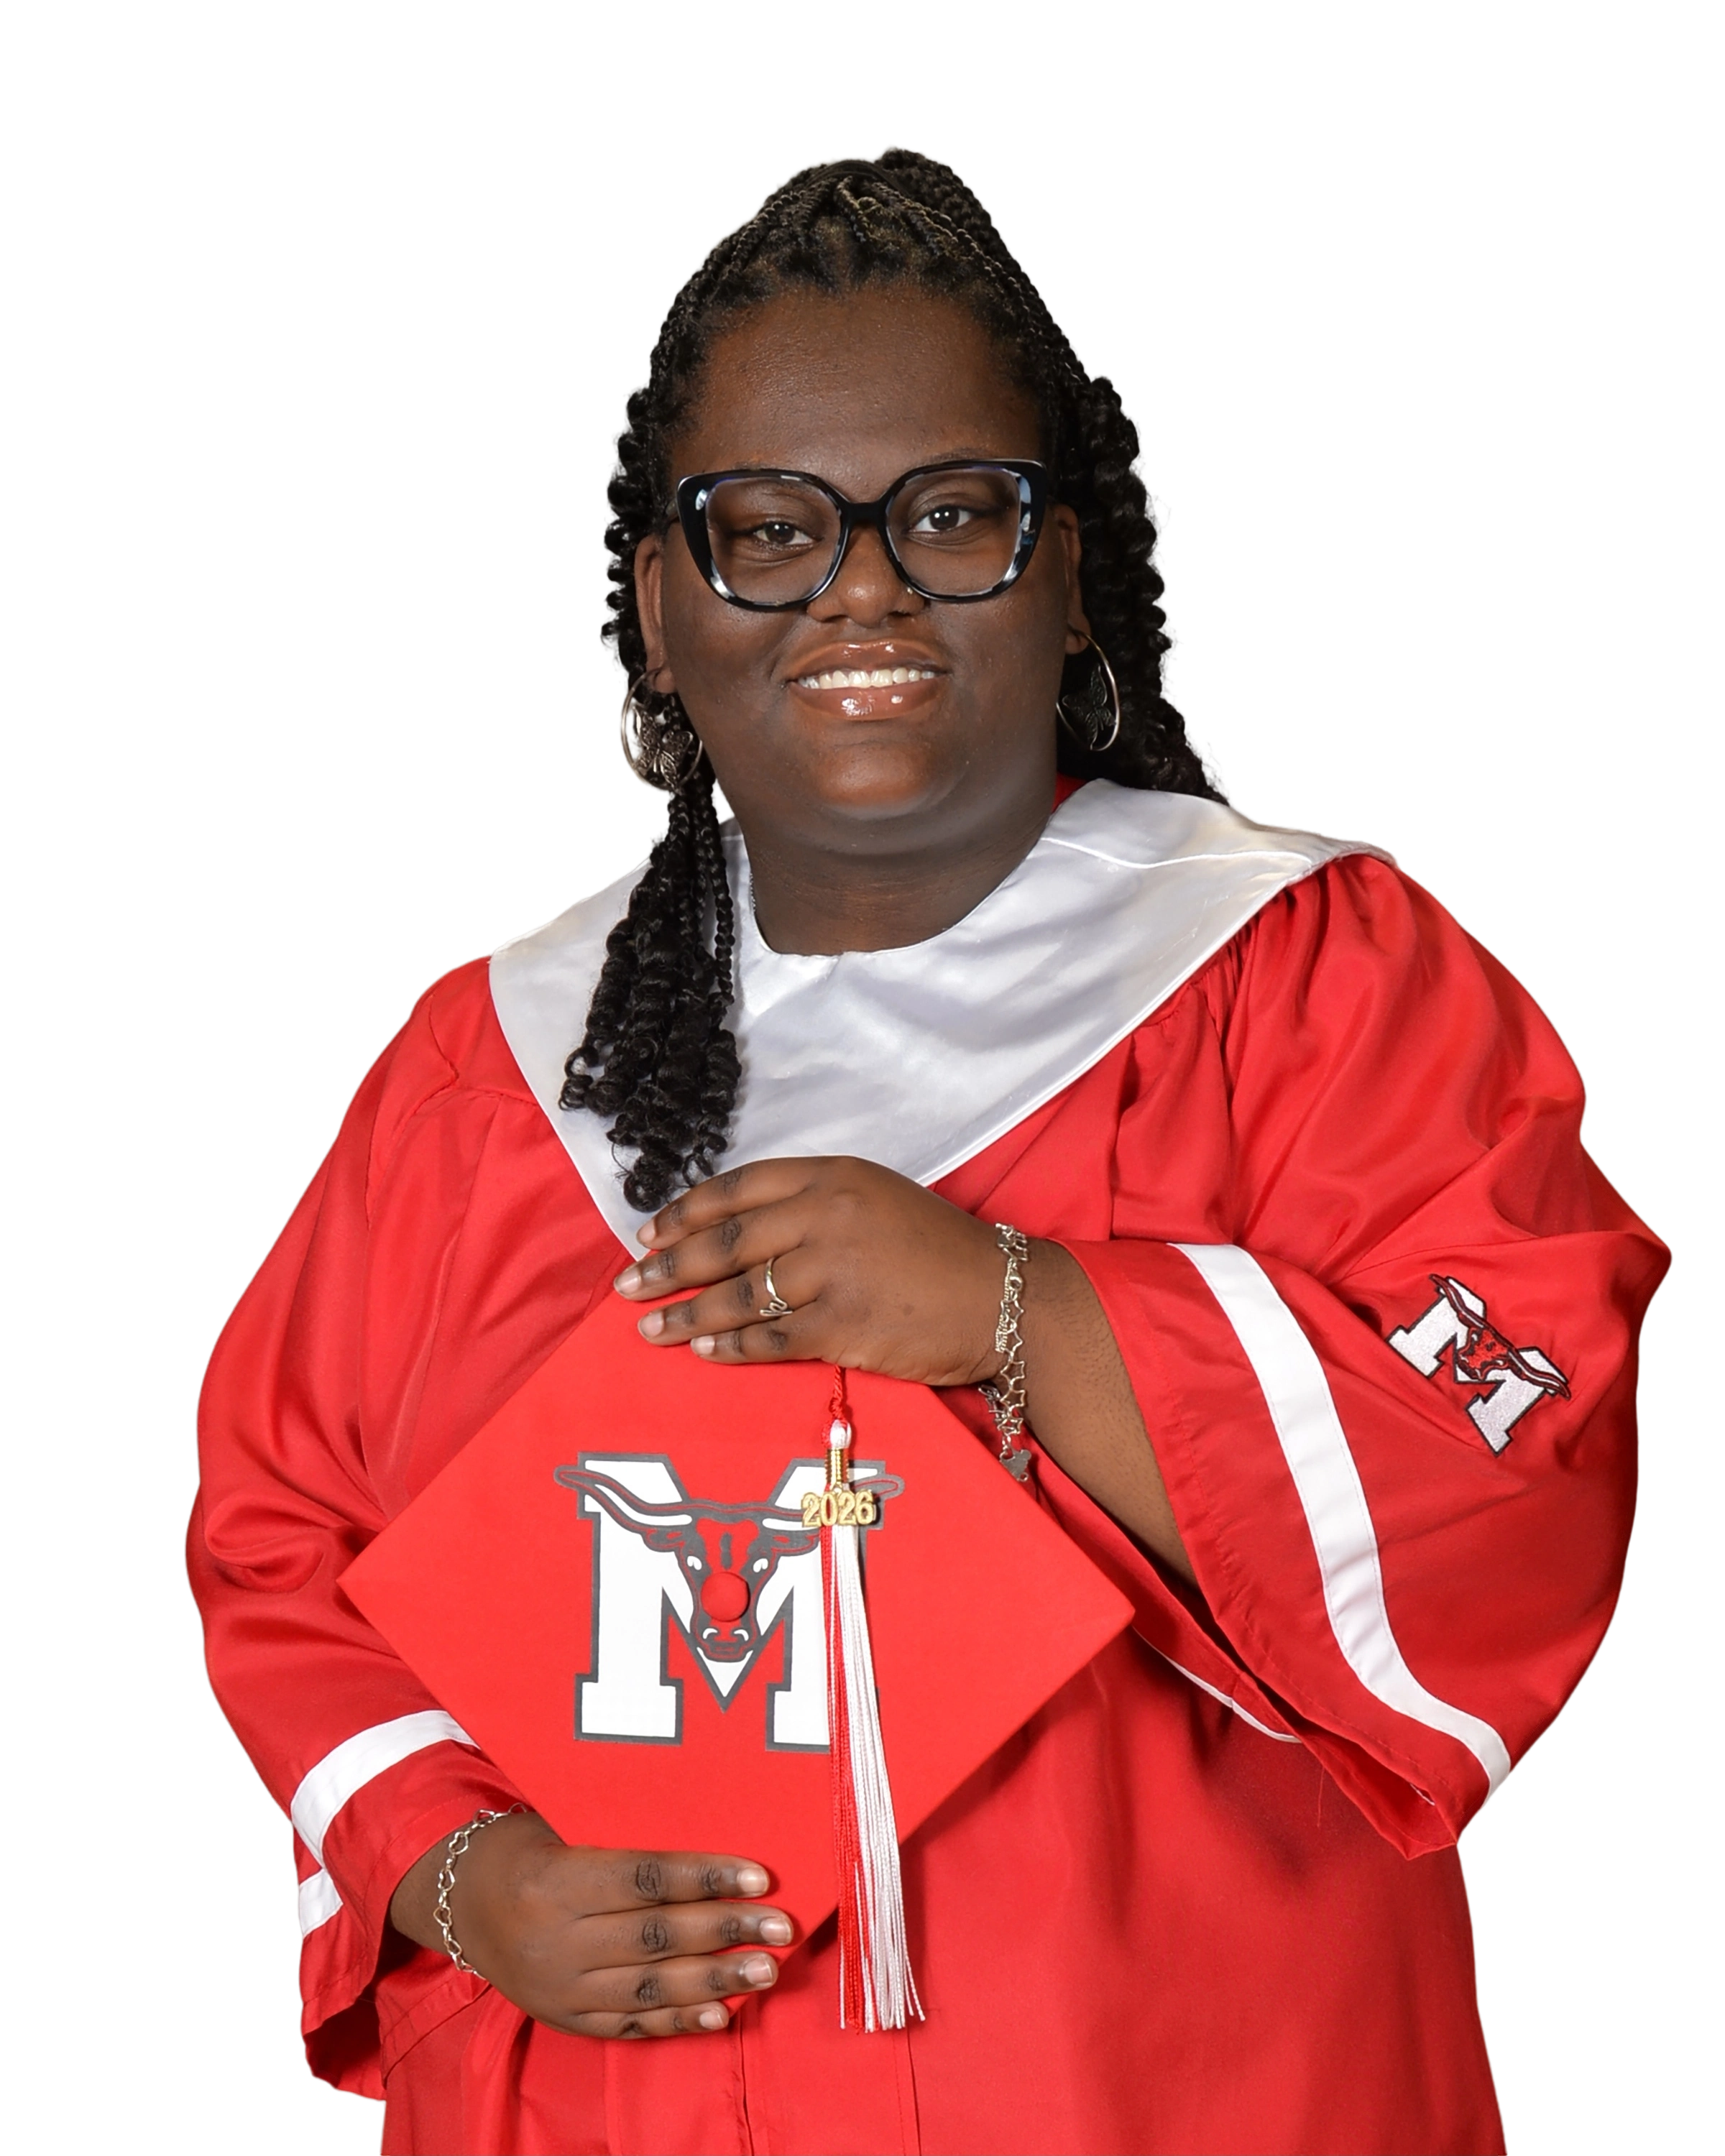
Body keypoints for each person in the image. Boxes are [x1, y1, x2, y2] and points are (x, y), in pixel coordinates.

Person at [186, 147, 1670, 2156]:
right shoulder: (488, 1067)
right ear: (658, 606)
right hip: (615, 2108)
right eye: (767, 531)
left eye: (952, 515)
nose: (864, 587)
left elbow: (1521, 1445)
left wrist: (1014, 1307)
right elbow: (278, 1537)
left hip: (1174, 2095)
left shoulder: (1316, 978)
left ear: (1074, 569)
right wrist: (462, 1876)